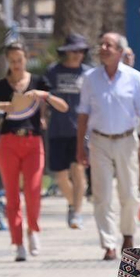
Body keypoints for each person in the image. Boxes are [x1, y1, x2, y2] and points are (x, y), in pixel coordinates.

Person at [0, 42, 69, 262]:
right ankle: (17, 242)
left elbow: (63, 106)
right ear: (8, 61)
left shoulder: (37, 82)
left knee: (34, 190)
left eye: (20, 60)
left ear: (26, 58)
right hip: (8, 142)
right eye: (12, 61)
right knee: (12, 195)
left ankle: (33, 230)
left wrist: (43, 95)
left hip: (33, 142)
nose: (16, 65)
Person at [77, 32, 140, 262]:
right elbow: (83, 114)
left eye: (108, 45)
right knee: (101, 194)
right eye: (101, 44)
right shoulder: (90, 78)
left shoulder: (134, 78)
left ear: (120, 51)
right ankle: (109, 243)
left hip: (126, 140)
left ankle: (128, 235)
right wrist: (80, 147)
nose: (103, 48)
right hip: (99, 141)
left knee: (130, 193)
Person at [43, 33, 91, 230]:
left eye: (81, 51)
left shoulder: (88, 73)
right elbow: (44, 96)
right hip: (57, 129)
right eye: (74, 51)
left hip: (80, 130)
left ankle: (77, 213)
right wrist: (41, 117)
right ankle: (72, 204)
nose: (77, 54)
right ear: (66, 52)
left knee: (78, 170)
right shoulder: (53, 72)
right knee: (60, 176)